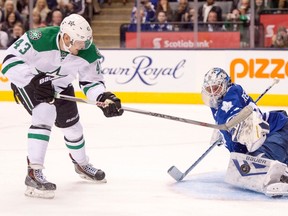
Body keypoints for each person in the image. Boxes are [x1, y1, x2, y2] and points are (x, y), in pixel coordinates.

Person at [0, 13, 123, 199]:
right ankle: (34, 172)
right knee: (45, 113)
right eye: (79, 42)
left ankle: (81, 164)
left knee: (73, 128)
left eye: (86, 42)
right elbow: (8, 60)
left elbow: (91, 81)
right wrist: (31, 80)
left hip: (60, 86)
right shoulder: (39, 38)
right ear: (66, 37)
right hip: (30, 84)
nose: (83, 46)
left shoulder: (88, 51)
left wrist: (103, 97)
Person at [201, 67, 288, 197]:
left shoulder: (230, 96)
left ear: (225, 85)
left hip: (278, 130)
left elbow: (235, 113)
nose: (213, 93)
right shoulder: (220, 102)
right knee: (248, 162)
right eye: (210, 89)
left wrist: (233, 123)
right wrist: (222, 131)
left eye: (216, 88)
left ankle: (280, 179)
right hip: (275, 131)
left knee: (260, 160)